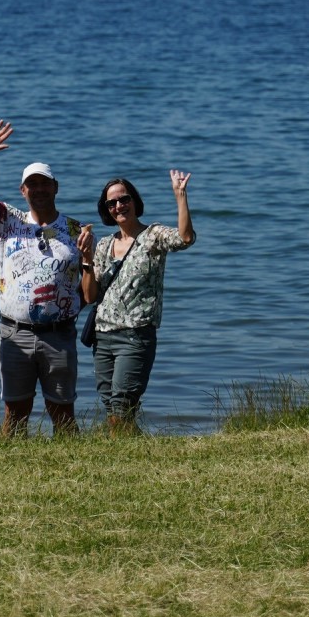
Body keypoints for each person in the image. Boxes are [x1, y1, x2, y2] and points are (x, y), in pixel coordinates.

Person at [0, 119, 93, 437]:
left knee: (63, 415)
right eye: (31, 184)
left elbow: (89, 292)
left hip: (59, 335)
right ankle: (8, 464)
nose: (38, 189)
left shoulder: (76, 229)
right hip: (14, 333)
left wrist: (88, 262)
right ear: (22, 190)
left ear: (56, 187)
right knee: (14, 416)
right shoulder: (7, 220)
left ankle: (73, 464)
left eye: (44, 183)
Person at [85, 170, 195, 432]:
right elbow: (89, 296)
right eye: (111, 203)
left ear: (134, 201)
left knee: (122, 405)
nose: (119, 206)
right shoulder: (103, 245)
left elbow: (185, 238)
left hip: (136, 335)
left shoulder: (153, 236)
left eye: (124, 199)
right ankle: (135, 448)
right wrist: (86, 260)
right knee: (112, 407)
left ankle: (120, 451)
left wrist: (180, 195)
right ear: (106, 209)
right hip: (103, 336)